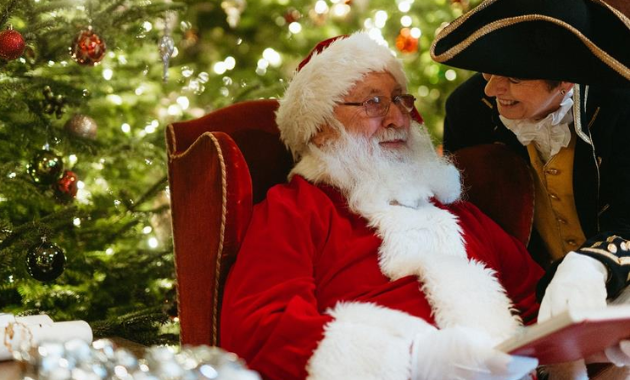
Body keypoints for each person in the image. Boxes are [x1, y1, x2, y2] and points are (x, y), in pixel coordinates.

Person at [219, 32, 544, 380]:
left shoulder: (456, 212)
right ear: (320, 130)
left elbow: (537, 302)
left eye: (400, 100)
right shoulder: (297, 208)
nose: (399, 119)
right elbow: (258, 329)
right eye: (373, 102)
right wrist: (413, 360)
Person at [431, 0, 630, 377]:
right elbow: (471, 222)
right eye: (489, 71)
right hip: (532, 298)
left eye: (514, 78)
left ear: (567, 78)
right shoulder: (468, 109)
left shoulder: (621, 105)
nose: (492, 89)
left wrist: (594, 264)